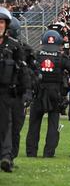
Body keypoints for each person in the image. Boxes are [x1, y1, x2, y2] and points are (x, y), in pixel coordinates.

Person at [25, 30, 70, 158]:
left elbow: (27, 73)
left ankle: (31, 152)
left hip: (38, 92)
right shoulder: (62, 58)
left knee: (34, 124)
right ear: (59, 43)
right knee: (53, 124)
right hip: (55, 93)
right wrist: (67, 89)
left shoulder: (37, 55)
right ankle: (49, 153)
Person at [1, 17, 36, 169]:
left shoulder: (22, 48)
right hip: (8, 91)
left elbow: (27, 71)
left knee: (13, 126)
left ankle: (9, 157)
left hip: (15, 92)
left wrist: (28, 90)